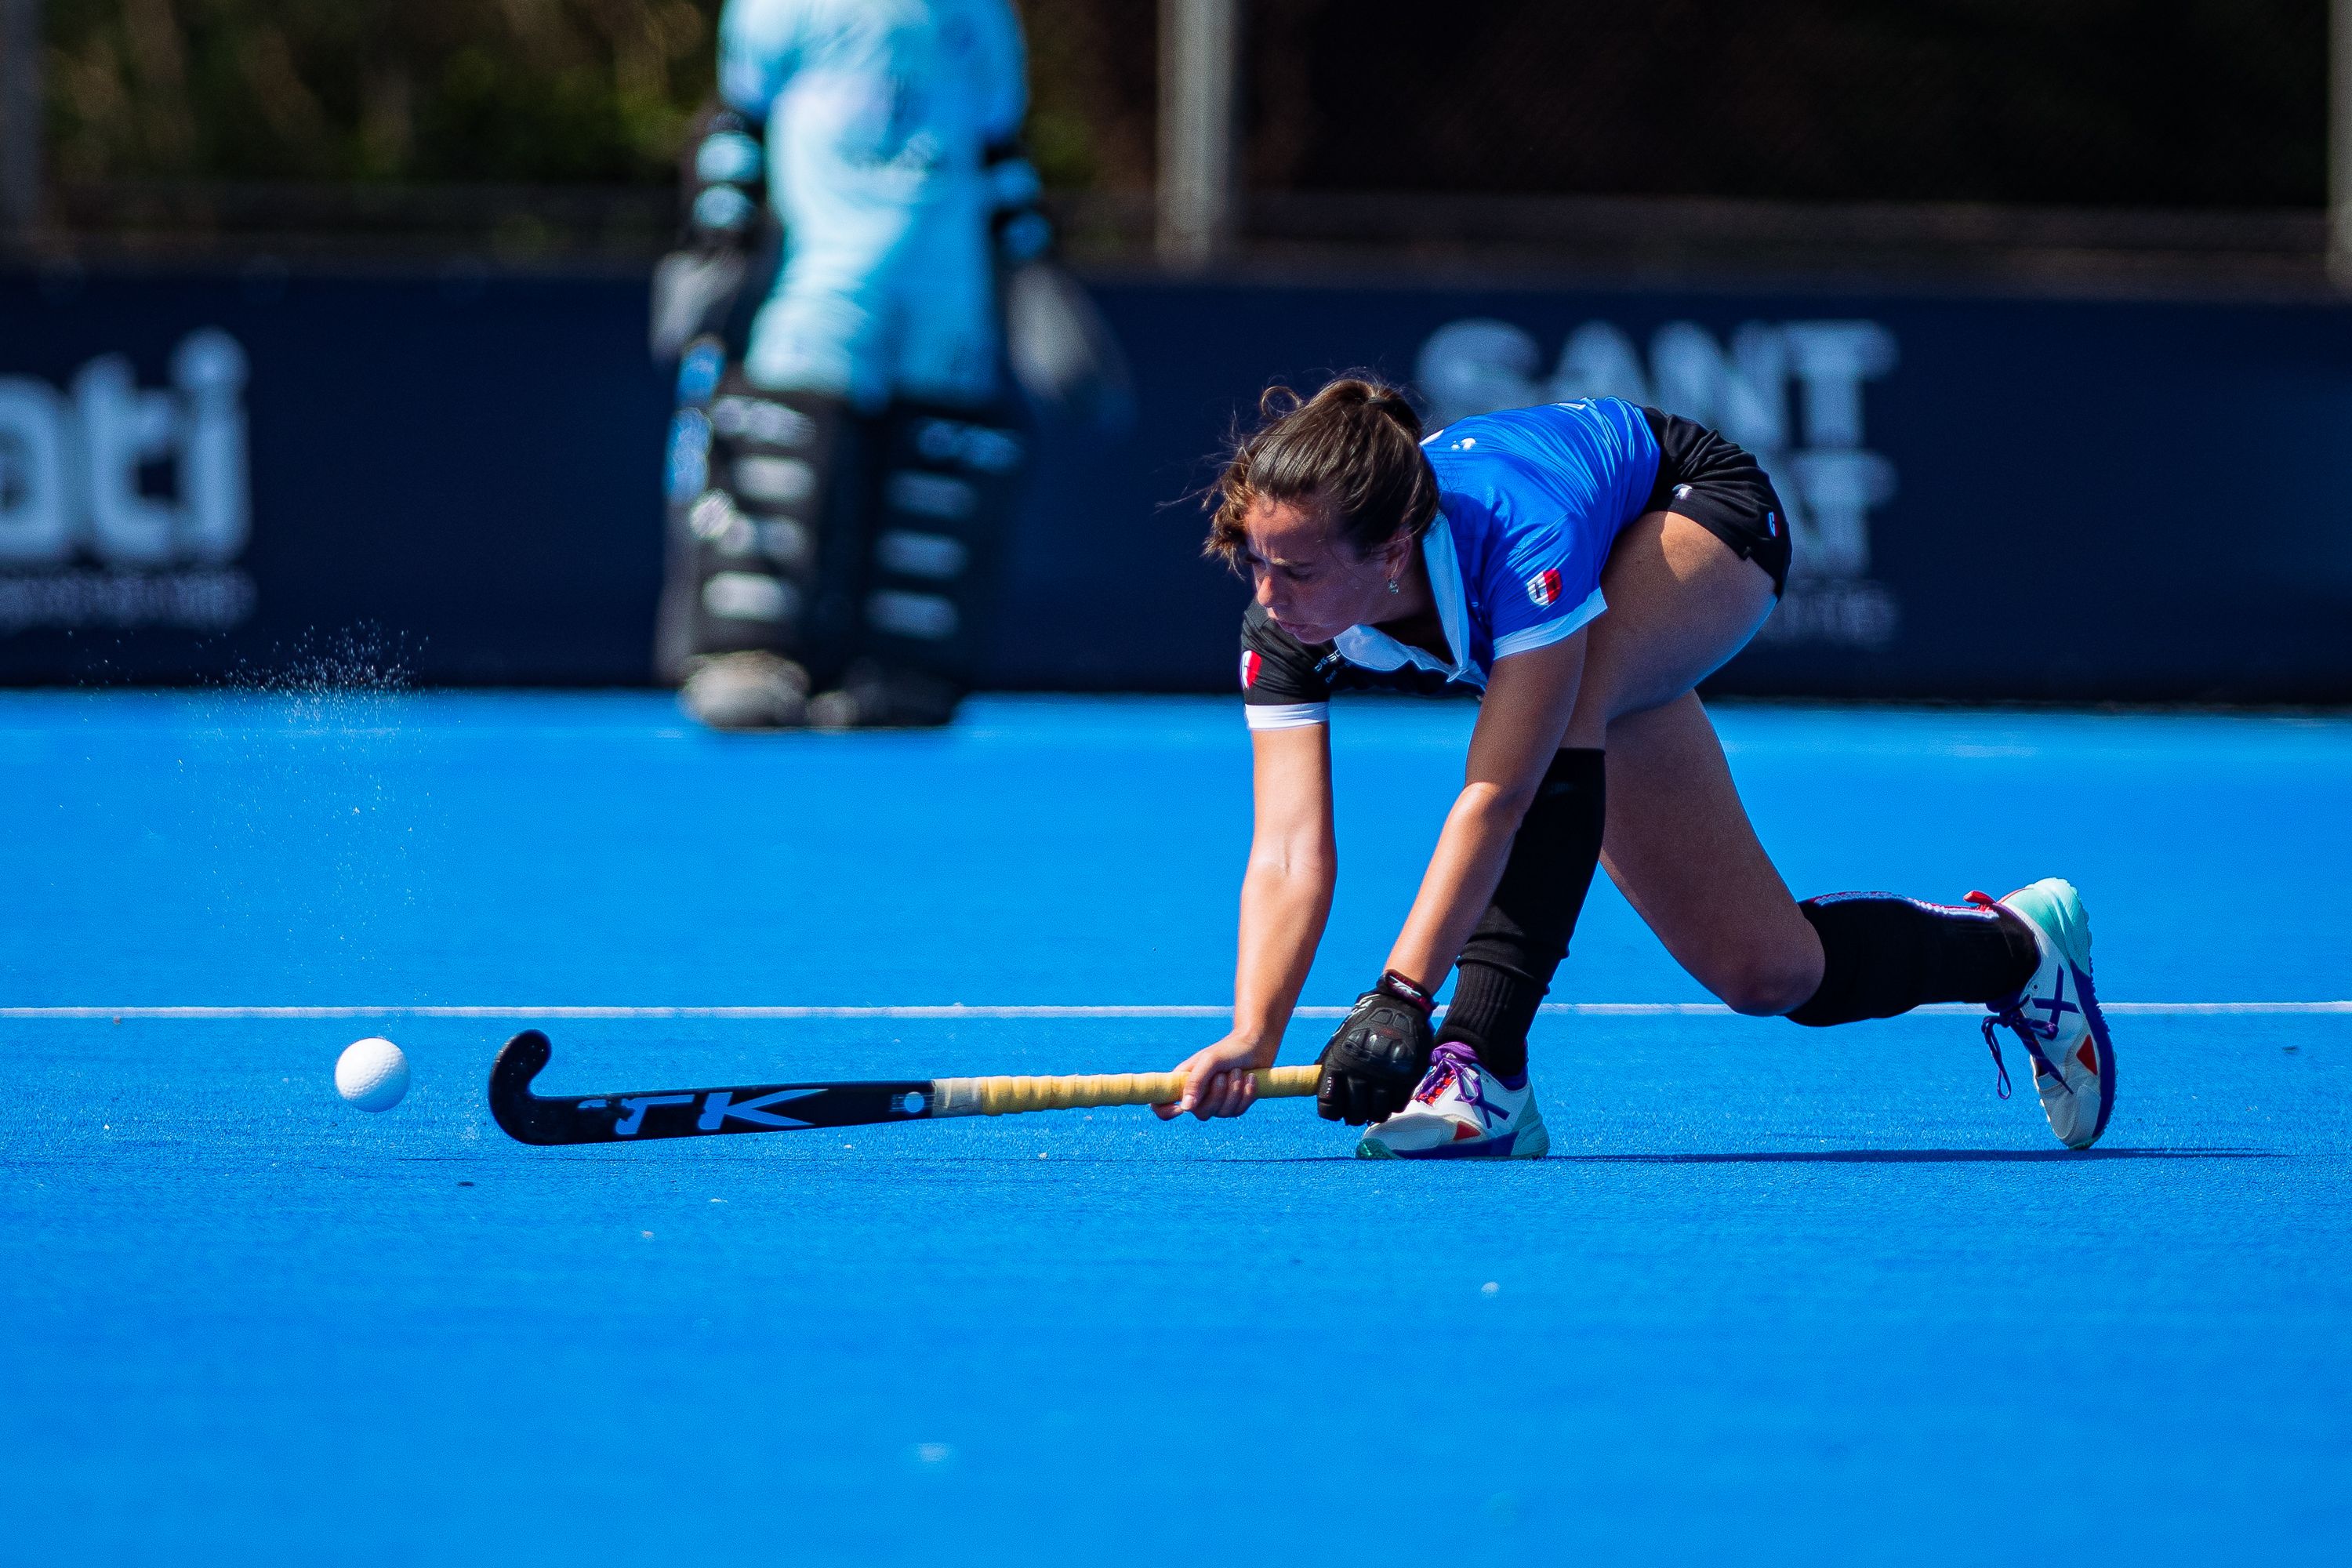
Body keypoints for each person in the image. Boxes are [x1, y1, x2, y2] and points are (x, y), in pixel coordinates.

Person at [1154, 376, 2115, 1157]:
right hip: (1582, 593)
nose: (1269, 597)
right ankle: (2018, 950)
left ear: (1396, 548)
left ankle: (1486, 1064)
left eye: (1301, 572)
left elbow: (1499, 796)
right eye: (1255, 563)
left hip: (1695, 511)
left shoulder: (1515, 539)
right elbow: (1286, 848)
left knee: (1563, 712)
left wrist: (1405, 996)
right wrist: (1254, 1029)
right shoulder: (1281, 625)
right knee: (1767, 969)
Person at [652, 0, 1036, 729]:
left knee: (931, 474)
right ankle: (749, 652)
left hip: (944, 291)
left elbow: (998, 146)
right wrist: (719, 237)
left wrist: (1031, 261)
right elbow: (738, 119)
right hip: (813, 285)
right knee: (781, 453)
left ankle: (906, 664)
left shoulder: (980, 15)